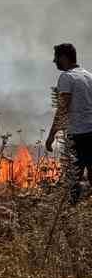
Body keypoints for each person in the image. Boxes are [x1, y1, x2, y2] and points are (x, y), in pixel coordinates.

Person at [45, 43, 92, 204]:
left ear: (64, 58)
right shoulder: (88, 75)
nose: (54, 61)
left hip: (78, 135)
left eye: (56, 58)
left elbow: (63, 108)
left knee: (73, 180)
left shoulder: (67, 77)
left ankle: (70, 215)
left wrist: (51, 135)